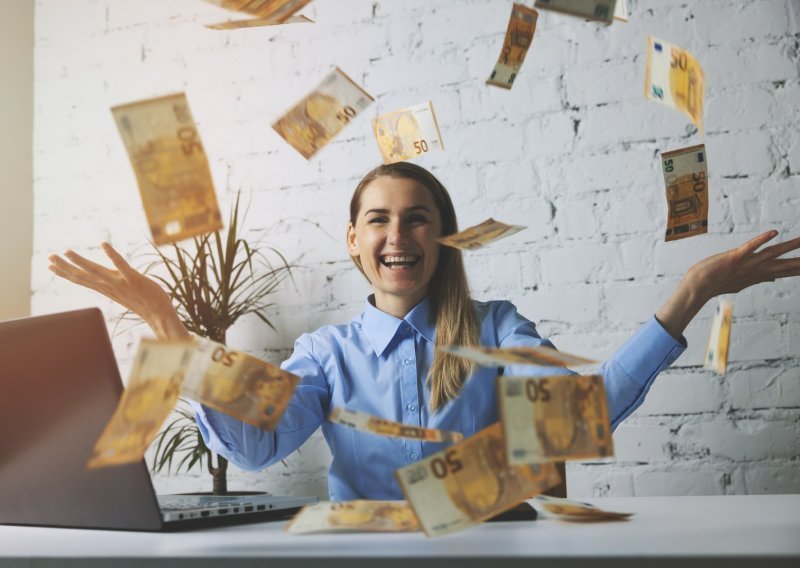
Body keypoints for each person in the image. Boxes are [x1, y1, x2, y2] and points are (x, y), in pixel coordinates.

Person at [48, 162, 800, 501]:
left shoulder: (498, 329)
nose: (397, 233)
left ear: (443, 239)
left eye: (417, 218)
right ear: (353, 240)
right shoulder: (324, 355)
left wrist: (691, 293)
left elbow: (580, 419)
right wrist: (164, 325)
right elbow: (253, 446)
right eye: (378, 218)